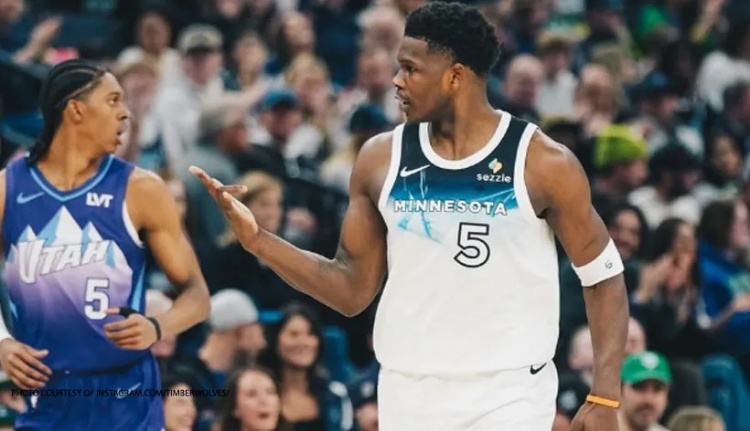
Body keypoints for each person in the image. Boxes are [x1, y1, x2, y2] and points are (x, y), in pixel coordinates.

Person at [190, 2, 629, 430]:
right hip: (407, 390)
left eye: (411, 69)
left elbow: (603, 275)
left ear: (455, 76)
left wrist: (605, 394)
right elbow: (351, 290)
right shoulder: (381, 159)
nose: (396, 81)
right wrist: (259, 240)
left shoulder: (541, 162)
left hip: (509, 392)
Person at [0, 59, 211, 430]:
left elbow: (198, 297)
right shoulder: (8, 188)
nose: (125, 113)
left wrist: (157, 326)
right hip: (48, 401)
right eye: (113, 100)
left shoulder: (142, 189)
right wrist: (2, 341)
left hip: (128, 404)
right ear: (75, 110)